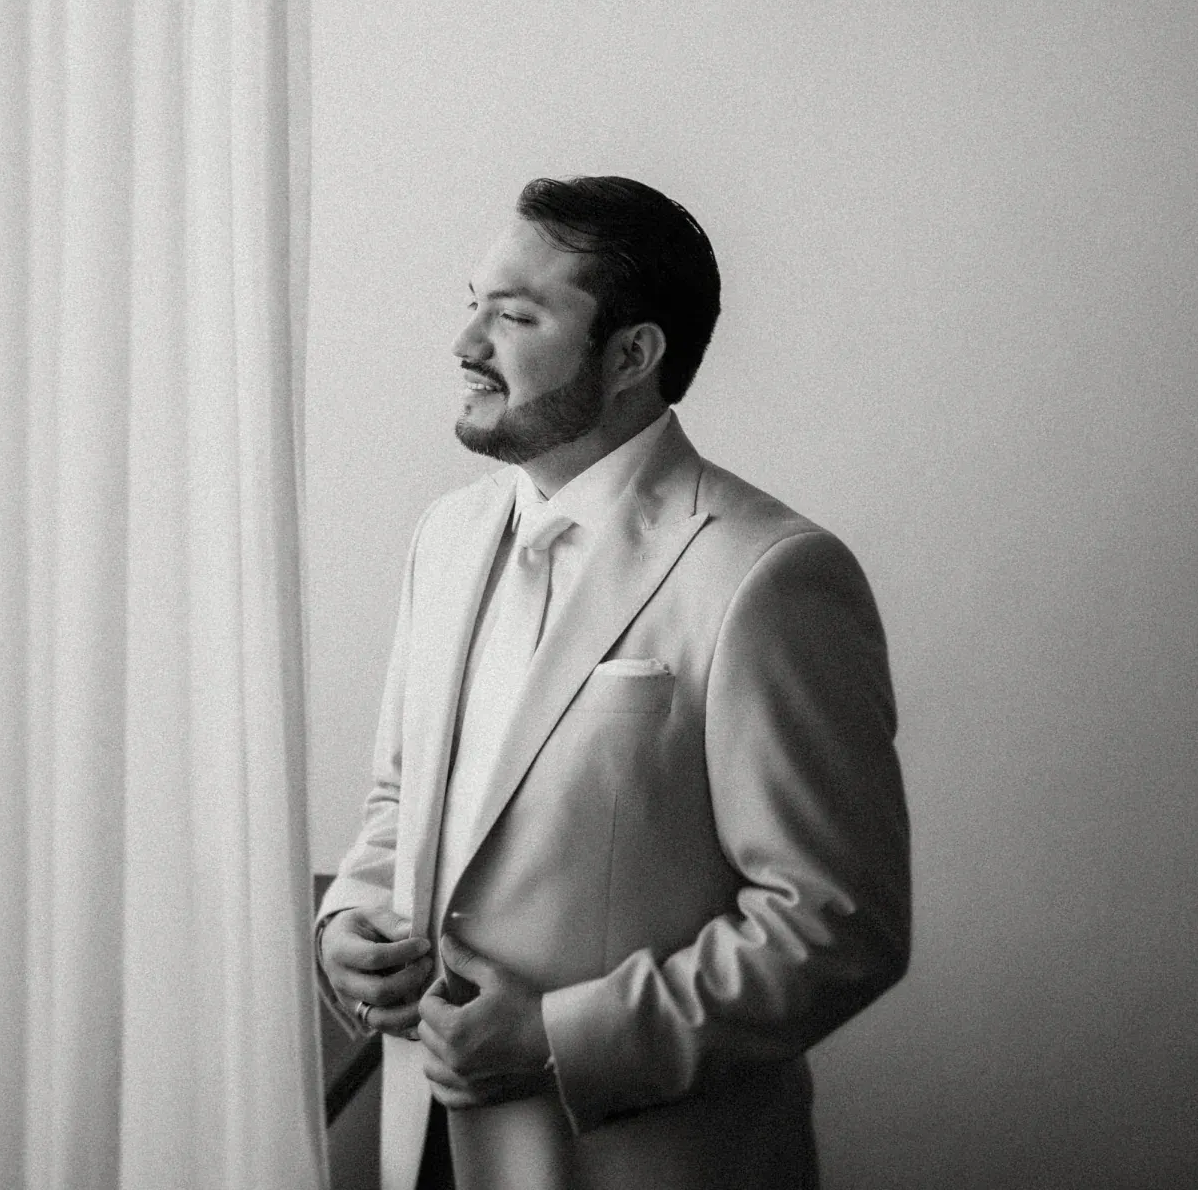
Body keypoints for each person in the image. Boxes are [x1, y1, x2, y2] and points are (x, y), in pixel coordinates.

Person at [318, 176, 909, 1190]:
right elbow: (398, 798)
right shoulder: (446, 537)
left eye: (515, 315)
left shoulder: (769, 575)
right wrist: (352, 924)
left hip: (626, 1158)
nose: (465, 344)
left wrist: (556, 1036)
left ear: (632, 355)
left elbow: (836, 925)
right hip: (419, 1138)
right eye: (473, 302)